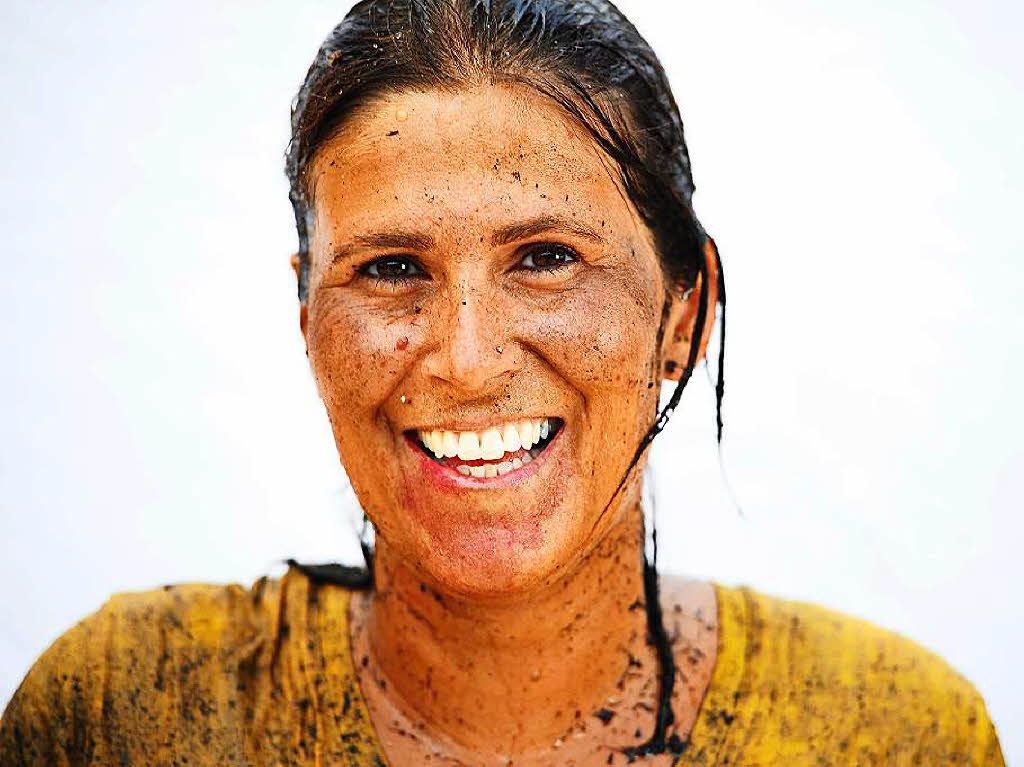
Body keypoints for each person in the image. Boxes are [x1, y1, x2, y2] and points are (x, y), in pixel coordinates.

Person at [0, 1, 1006, 764]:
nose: (468, 359)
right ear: (308, 318)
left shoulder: (891, 729)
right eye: (391, 268)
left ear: (681, 314)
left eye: (545, 257)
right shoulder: (125, 711)